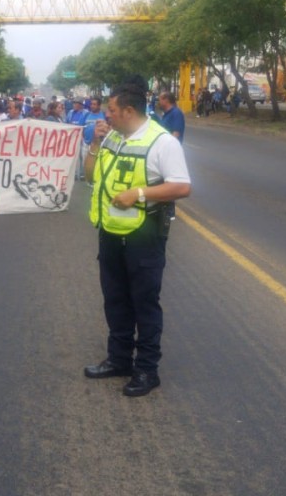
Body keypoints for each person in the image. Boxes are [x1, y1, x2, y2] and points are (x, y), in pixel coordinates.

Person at [83, 77, 191, 397]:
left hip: (144, 237)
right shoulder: (113, 137)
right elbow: (90, 176)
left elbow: (182, 186)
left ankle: (146, 369)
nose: (107, 116)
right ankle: (119, 360)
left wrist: (139, 193)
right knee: (115, 301)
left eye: (112, 110)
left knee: (143, 304)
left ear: (128, 110)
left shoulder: (162, 143)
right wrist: (95, 144)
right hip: (111, 234)